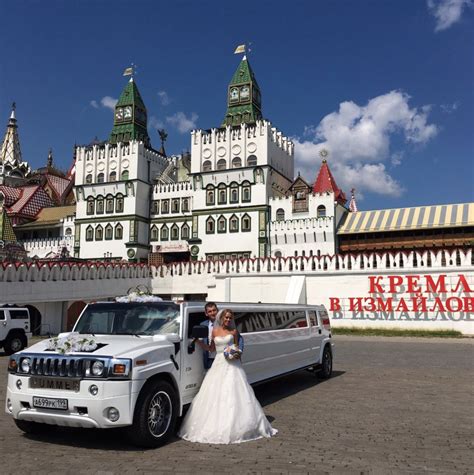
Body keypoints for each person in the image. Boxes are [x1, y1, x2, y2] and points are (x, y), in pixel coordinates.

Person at [178, 309, 277, 444]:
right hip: (218, 364)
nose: (228, 320)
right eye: (226, 318)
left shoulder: (234, 332)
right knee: (214, 394)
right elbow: (211, 349)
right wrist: (198, 342)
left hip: (232, 365)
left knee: (234, 393)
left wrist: (236, 356)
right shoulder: (214, 332)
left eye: (230, 318)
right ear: (222, 318)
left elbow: (237, 348)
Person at [200, 302, 243, 369]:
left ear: (217, 310)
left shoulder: (231, 328)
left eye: (214, 310)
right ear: (206, 313)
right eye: (210, 311)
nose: (213, 313)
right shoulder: (203, 325)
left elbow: (239, 340)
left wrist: (237, 353)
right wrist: (197, 341)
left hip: (229, 359)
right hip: (212, 359)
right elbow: (211, 347)